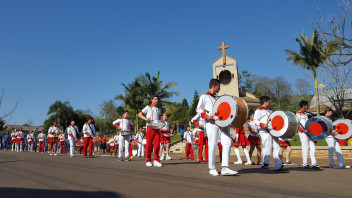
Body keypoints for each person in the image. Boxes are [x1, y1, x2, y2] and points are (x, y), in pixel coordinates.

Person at [196, 79, 237, 176]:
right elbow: (198, 109)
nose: (220, 88)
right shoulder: (204, 96)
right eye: (219, 86)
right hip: (211, 123)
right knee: (213, 144)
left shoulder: (219, 98)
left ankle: (225, 167)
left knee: (227, 142)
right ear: (214, 85)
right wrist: (206, 116)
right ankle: (212, 168)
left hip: (222, 123)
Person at [253, 96, 287, 172]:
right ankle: (264, 164)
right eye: (268, 101)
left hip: (272, 130)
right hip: (264, 131)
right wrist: (262, 125)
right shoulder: (259, 110)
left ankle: (278, 166)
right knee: (267, 147)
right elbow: (255, 121)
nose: (269, 103)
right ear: (265, 102)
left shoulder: (269, 111)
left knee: (277, 146)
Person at [138, 96, 163, 167]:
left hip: (157, 127)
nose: (156, 100)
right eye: (155, 99)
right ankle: (148, 160)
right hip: (149, 127)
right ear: (151, 100)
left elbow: (159, 117)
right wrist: (146, 119)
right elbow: (139, 114)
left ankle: (156, 160)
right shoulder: (148, 107)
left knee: (157, 144)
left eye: (157, 99)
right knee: (149, 144)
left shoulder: (159, 109)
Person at [296, 100, 319, 169]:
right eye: (307, 105)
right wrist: (303, 130)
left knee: (312, 147)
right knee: (305, 147)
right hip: (303, 132)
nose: (307, 106)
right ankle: (305, 164)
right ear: (304, 106)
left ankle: (314, 163)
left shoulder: (306, 114)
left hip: (309, 132)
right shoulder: (298, 114)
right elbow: (297, 124)